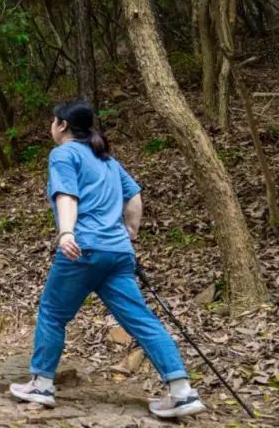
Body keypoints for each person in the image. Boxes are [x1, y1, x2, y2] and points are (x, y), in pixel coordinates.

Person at [10, 101, 205, 419]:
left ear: (61, 125)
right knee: (142, 321)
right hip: (117, 253)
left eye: (52, 122)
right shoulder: (108, 160)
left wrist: (67, 233)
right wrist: (130, 231)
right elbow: (134, 196)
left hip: (82, 250)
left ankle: (42, 385)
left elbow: (66, 195)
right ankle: (182, 391)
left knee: (53, 314)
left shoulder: (63, 154)